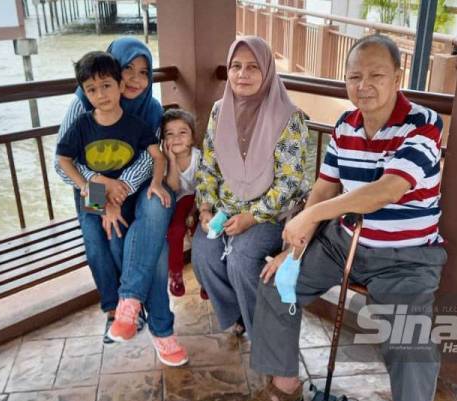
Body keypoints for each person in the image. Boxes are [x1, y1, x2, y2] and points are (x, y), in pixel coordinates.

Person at [242, 34, 447, 401]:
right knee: (275, 282)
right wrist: (293, 246)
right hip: (345, 240)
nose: (363, 85)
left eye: (376, 75)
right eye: (355, 76)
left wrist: (312, 215)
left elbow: (387, 190)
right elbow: (324, 187)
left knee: (410, 347)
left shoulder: (424, 124)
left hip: (407, 257)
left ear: (398, 76)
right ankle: (285, 387)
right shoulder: (345, 125)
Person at [55, 49, 188, 367]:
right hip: (91, 189)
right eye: (128, 69)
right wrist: (100, 189)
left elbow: (150, 157)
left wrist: (122, 188)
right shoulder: (82, 107)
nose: (135, 79)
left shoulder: (150, 110)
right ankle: (120, 310)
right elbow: (63, 164)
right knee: (101, 244)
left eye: (144, 72)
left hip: (137, 187)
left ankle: (145, 315)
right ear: (116, 70)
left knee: (151, 226)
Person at [192, 36, 308, 336]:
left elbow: (289, 182)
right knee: (203, 254)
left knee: (242, 258)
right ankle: (239, 315)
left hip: (270, 213)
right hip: (224, 210)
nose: (242, 74)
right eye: (236, 66)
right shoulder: (220, 111)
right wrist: (205, 208)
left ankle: (265, 336)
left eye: (253, 67)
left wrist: (252, 218)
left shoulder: (288, 118)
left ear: (267, 71)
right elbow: (207, 165)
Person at [162, 108, 206, 298]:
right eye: (169, 134)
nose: (176, 138)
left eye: (183, 132)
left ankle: (206, 279)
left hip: (200, 202)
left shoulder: (199, 157)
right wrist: (171, 160)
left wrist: (194, 212)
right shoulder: (163, 161)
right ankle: (176, 274)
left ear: (192, 138)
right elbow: (172, 187)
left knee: (202, 234)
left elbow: (204, 189)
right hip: (177, 204)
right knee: (175, 232)